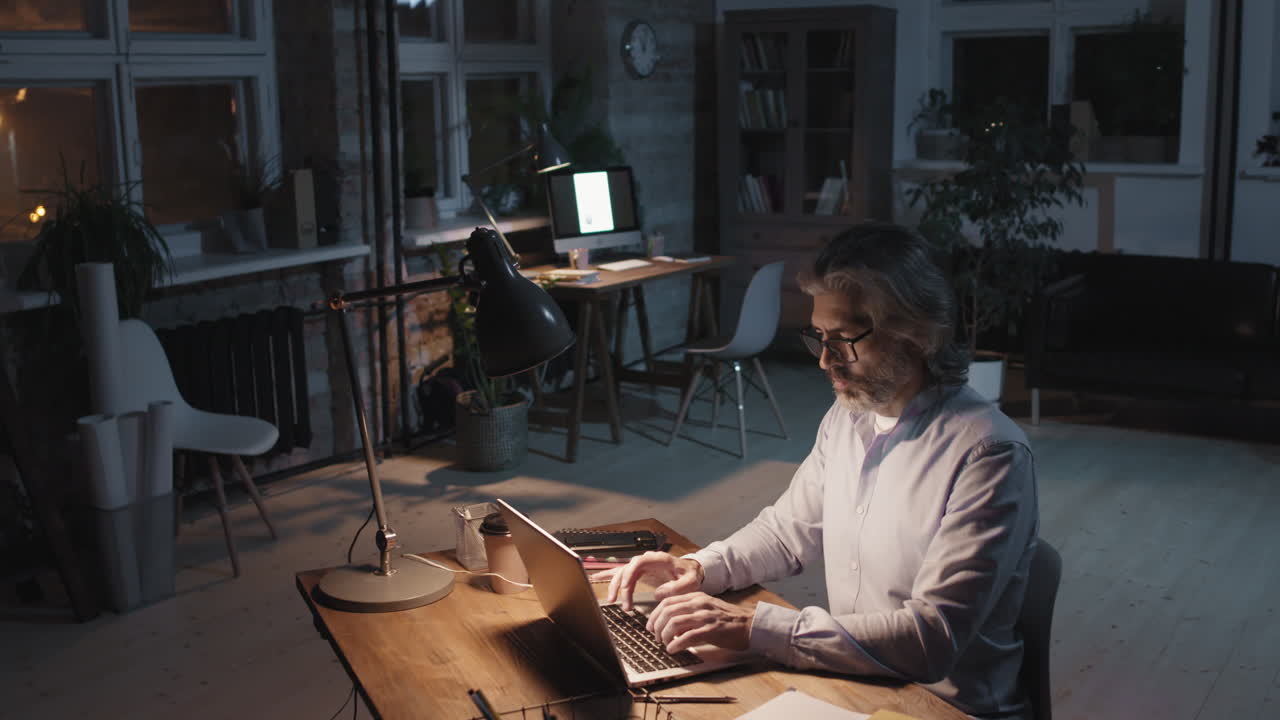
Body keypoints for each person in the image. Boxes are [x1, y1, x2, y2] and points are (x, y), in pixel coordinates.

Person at [595, 223, 1040, 720]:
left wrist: (750, 629)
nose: (825, 361)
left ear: (917, 334)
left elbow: (929, 641)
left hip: (944, 708)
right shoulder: (849, 418)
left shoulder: (989, 453)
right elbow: (787, 533)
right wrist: (700, 568)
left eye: (845, 340)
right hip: (860, 685)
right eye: (819, 338)